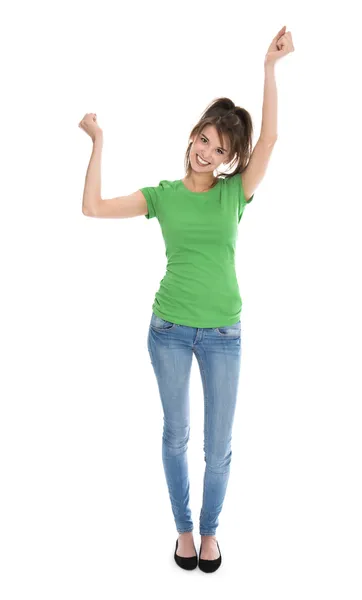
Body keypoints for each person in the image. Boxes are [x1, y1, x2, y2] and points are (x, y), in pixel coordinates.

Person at [79, 25, 293, 571]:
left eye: (219, 149)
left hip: (225, 334)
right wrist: (99, 142)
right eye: (204, 139)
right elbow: (94, 209)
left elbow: (268, 142)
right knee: (176, 436)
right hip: (169, 331)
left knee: (218, 448)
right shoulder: (162, 197)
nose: (206, 152)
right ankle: (182, 529)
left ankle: (211, 531)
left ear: (228, 160)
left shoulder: (235, 193)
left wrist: (268, 70)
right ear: (193, 134)